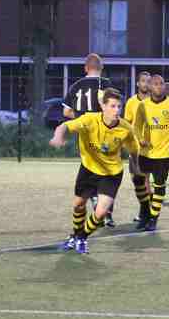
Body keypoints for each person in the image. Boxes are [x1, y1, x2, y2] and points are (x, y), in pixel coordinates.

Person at [50, 88, 142, 254]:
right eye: (112, 106)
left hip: (111, 174)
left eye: (119, 106)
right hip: (89, 169)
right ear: (103, 106)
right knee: (78, 206)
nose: (117, 110)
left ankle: (81, 238)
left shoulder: (125, 128)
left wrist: (135, 165)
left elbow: (134, 149)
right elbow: (64, 126)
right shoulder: (89, 120)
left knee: (100, 213)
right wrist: (58, 136)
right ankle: (75, 236)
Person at [63, 53, 116, 226]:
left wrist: (82, 119)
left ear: (86, 68)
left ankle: (94, 198)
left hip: (85, 137)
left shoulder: (76, 85)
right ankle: (106, 213)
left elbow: (66, 112)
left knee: (90, 169)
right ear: (102, 68)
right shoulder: (107, 85)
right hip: (105, 135)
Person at [135, 73, 169, 231]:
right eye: (155, 84)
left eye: (161, 83)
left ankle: (153, 219)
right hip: (145, 153)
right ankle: (145, 214)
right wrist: (140, 139)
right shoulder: (143, 105)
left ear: (165, 86)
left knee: (159, 186)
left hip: (164, 154)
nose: (159, 86)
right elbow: (136, 126)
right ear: (150, 87)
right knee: (141, 184)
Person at [124, 71, 154, 225]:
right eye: (143, 81)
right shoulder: (131, 102)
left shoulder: (154, 102)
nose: (146, 84)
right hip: (134, 148)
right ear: (138, 83)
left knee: (144, 180)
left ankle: (147, 214)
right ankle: (147, 211)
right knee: (137, 181)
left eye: (148, 81)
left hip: (149, 148)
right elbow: (127, 123)